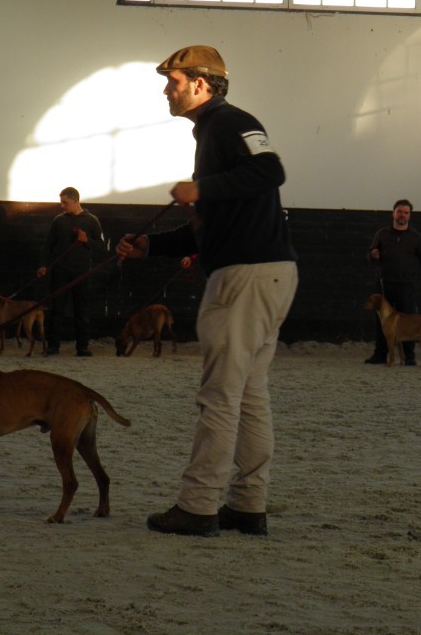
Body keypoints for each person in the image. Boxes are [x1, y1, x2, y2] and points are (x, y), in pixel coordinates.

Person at [116, 45, 298, 537]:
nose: (166, 90)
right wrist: (151, 245)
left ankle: (197, 507)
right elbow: (210, 225)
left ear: (200, 83)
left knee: (220, 395)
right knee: (249, 394)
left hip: (244, 277)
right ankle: (248, 504)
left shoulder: (231, 121)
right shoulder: (214, 132)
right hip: (267, 273)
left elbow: (270, 171)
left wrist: (201, 189)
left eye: (172, 81)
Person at [365, 199, 421, 366]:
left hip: (405, 285)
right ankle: (380, 355)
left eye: (406, 213)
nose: (402, 215)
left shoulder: (417, 237)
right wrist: (373, 254)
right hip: (384, 284)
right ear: (393, 213)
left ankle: (409, 357)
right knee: (382, 322)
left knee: (409, 322)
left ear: (410, 215)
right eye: (400, 212)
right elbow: (370, 254)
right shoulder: (382, 234)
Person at [37, 187, 104, 357]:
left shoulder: (92, 221)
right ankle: (53, 346)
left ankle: (82, 347)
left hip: (81, 272)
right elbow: (48, 245)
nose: (62, 206)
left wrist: (87, 240)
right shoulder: (59, 221)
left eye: (64, 202)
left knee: (81, 310)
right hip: (60, 271)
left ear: (75, 201)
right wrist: (43, 265)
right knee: (57, 310)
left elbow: (101, 247)